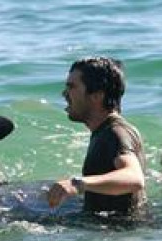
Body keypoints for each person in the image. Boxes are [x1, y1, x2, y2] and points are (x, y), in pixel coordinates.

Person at [45, 57, 147, 218]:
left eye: (71, 87)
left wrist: (76, 184)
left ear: (97, 96)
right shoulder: (107, 131)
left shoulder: (115, 133)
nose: (64, 94)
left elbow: (134, 179)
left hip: (114, 234)